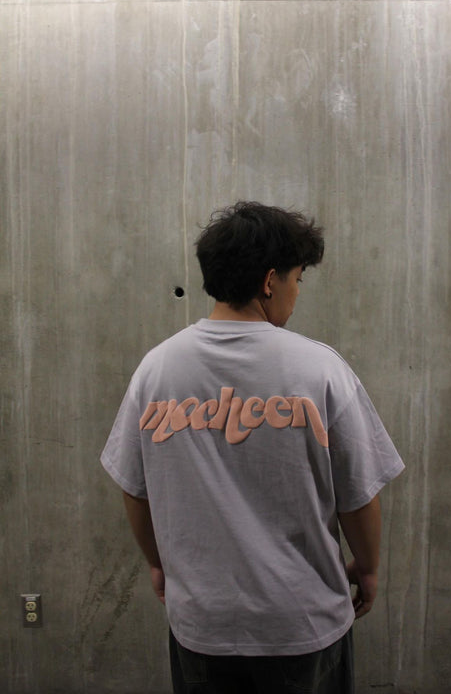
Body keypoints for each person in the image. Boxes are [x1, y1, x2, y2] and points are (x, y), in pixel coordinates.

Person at [100, 201, 404, 694]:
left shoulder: (156, 370)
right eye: (297, 279)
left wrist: (159, 564)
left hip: (203, 623)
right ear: (269, 282)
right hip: (303, 621)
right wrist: (367, 569)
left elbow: (135, 490)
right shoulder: (321, 369)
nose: (296, 293)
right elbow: (358, 496)